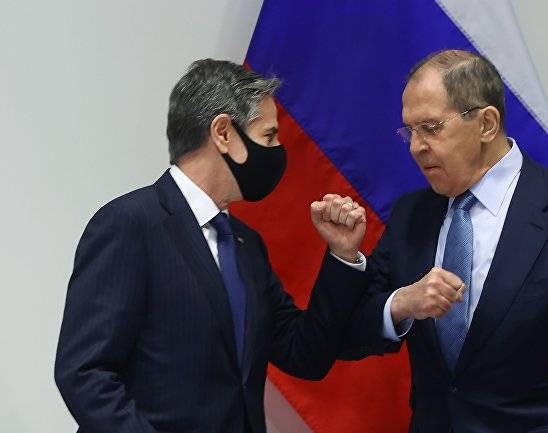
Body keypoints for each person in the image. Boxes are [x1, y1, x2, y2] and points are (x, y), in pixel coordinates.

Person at [340, 50, 548, 432]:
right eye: (410, 131)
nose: (416, 147)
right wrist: (401, 303)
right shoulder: (412, 215)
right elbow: (348, 334)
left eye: (430, 128)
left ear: (487, 124)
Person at [55, 59, 368, 433]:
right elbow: (85, 373)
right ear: (223, 133)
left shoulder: (246, 244)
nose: (278, 150)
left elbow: (304, 354)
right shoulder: (130, 225)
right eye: (269, 136)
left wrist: (342, 255)